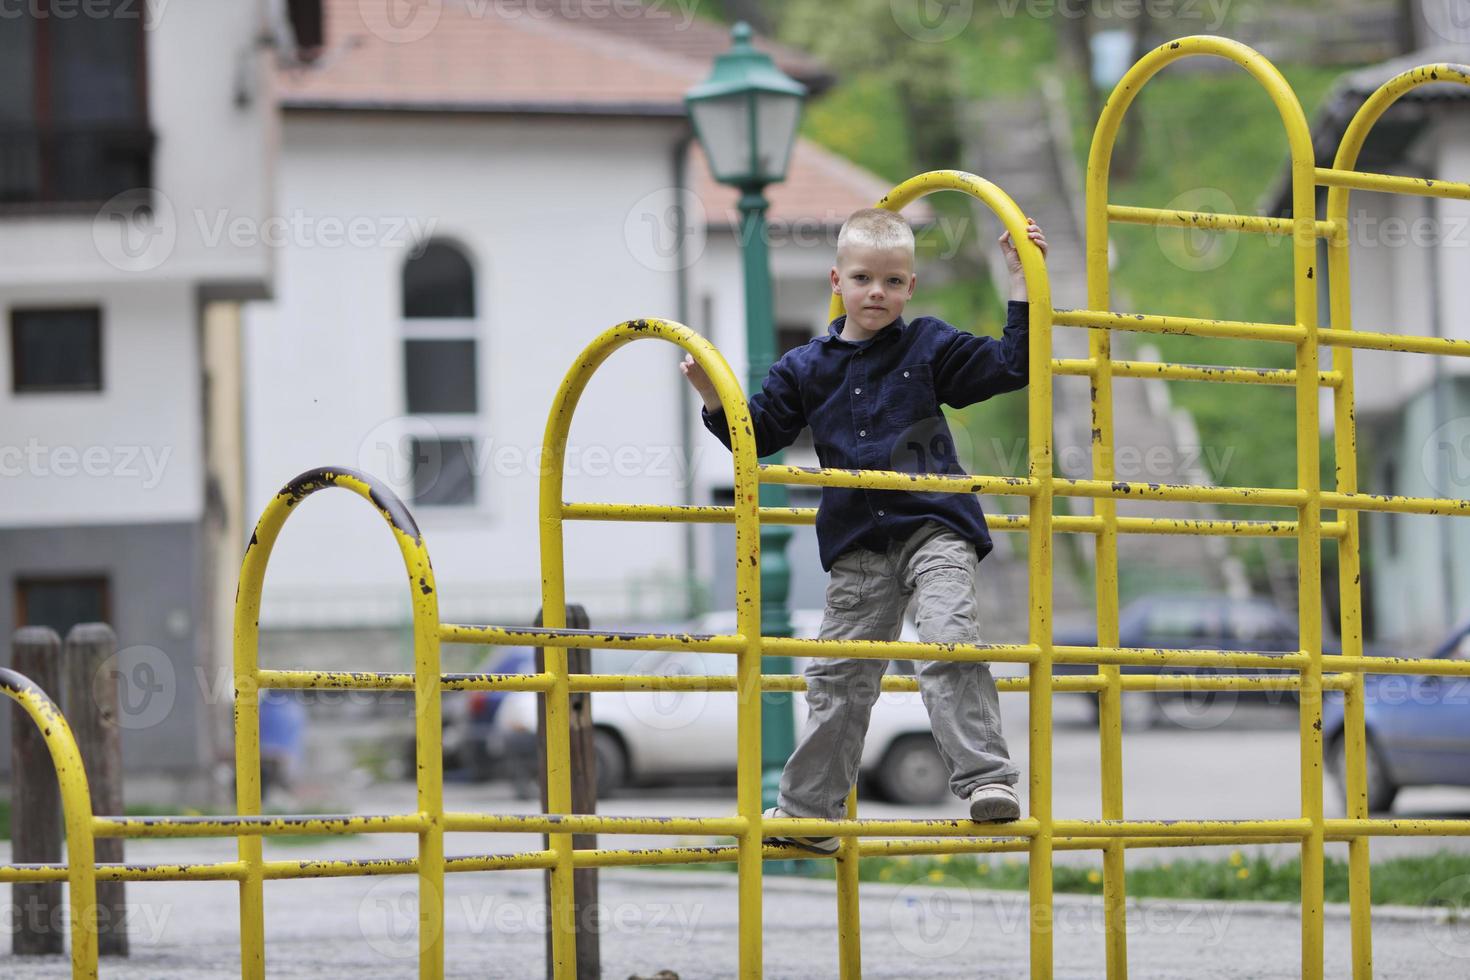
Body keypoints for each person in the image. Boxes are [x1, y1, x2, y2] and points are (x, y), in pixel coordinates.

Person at [678, 207, 1047, 853]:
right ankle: (812, 813)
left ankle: (988, 779)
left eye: (894, 281)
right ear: (837, 281)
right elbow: (757, 436)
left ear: (910, 287)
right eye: (863, 278)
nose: (878, 292)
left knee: (947, 640)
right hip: (858, 545)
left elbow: (1012, 365)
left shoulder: (928, 346)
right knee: (838, 677)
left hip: (935, 527)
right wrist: (714, 396)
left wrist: (1024, 279)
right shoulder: (806, 366)